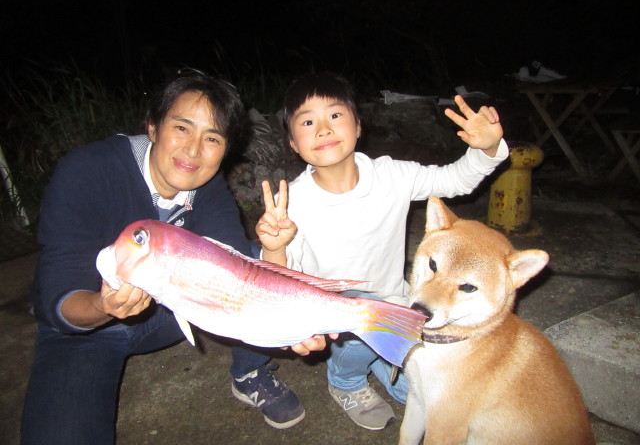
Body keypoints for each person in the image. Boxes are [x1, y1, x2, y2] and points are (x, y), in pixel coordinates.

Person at [20, 69, 330, 445]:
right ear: (153, 127)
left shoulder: (209, 188)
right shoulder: (87, 171)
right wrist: (103, 307)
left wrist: (281, 326)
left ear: (226, 149)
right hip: (85, 327)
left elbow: (242, 278)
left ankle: (249, 372)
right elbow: (58, 292)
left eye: (212, 137)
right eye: (182, 128)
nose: (193, 150)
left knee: (251, 258)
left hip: (170, 310)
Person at [255, 72, 509, 431]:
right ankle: (345, 380)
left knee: (423, 397)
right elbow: (279, 277)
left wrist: (485, 149)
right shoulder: (292, 202)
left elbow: (454, 180)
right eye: (308, 122)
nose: (324, 129)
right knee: (371, 320)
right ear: (293, 143)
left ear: (358, 126)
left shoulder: (391, 175)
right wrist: (274, 247)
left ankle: (376, 353)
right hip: (335, 312)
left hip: (397, 305)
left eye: (335, 115)